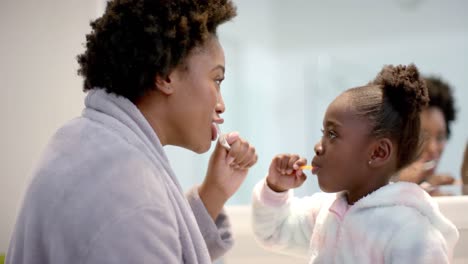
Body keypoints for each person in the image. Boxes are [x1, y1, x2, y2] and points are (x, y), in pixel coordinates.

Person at [6, 0, 258, 263]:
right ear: (165, 75)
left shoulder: (81, 141)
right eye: (216, 80)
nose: (221, 105)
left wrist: (215, 191)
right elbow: (137, 221)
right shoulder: (130, 197)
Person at [252, 64, 459, 263]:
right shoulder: (324, 211)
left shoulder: (411, 232)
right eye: (324, 133)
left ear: (378, 152)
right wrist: (275, 189)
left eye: (332, 134)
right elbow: (273, 232)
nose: (318, 146)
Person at [398, 76, 458, 191]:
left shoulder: (452, 193)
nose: (433, 149)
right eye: (422, 136)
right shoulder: (373, 191)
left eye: (440, 137)